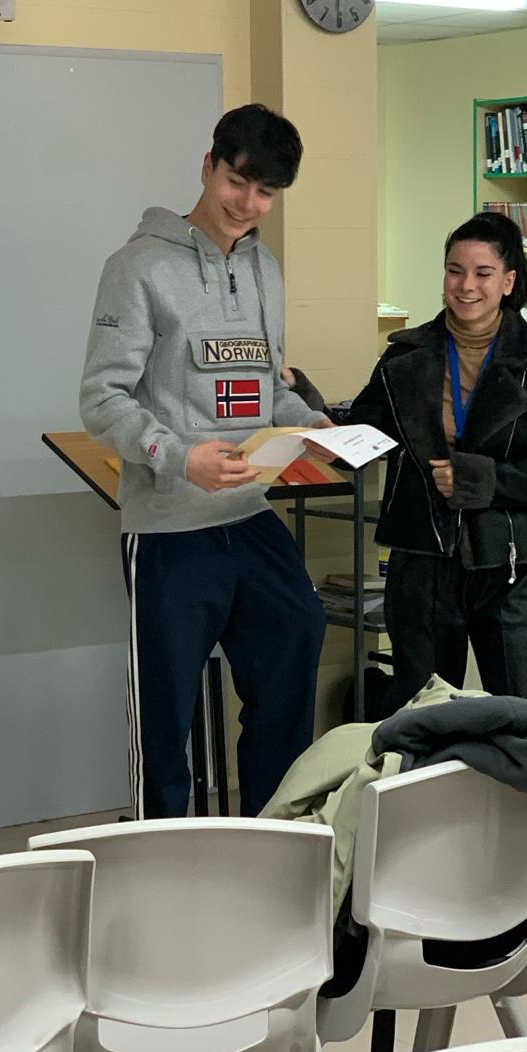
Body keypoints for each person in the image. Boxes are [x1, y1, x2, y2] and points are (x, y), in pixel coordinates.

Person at [80, 104, 330, 820]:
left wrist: (308, 424)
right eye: (236, 181)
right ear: (207, 166)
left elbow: (266, 387)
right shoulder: (137, 268)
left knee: (298, 634)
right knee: (165, 714)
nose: (247, 203)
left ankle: (271, 834)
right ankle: (158, 853)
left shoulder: (264, 270)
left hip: (248, 515)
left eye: (265, 192)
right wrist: (179, 457)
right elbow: (102, 398)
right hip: (169, 527)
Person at [295, 210, 527, 709]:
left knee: (515, 713)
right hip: (421, 558)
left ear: (509, 281)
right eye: (455, 271)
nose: (466, 285)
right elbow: (368, 433)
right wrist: (321, 425)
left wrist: (481, 479)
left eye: (482, 272)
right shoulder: (403, 357)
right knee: (424, 713)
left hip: (508, 563)